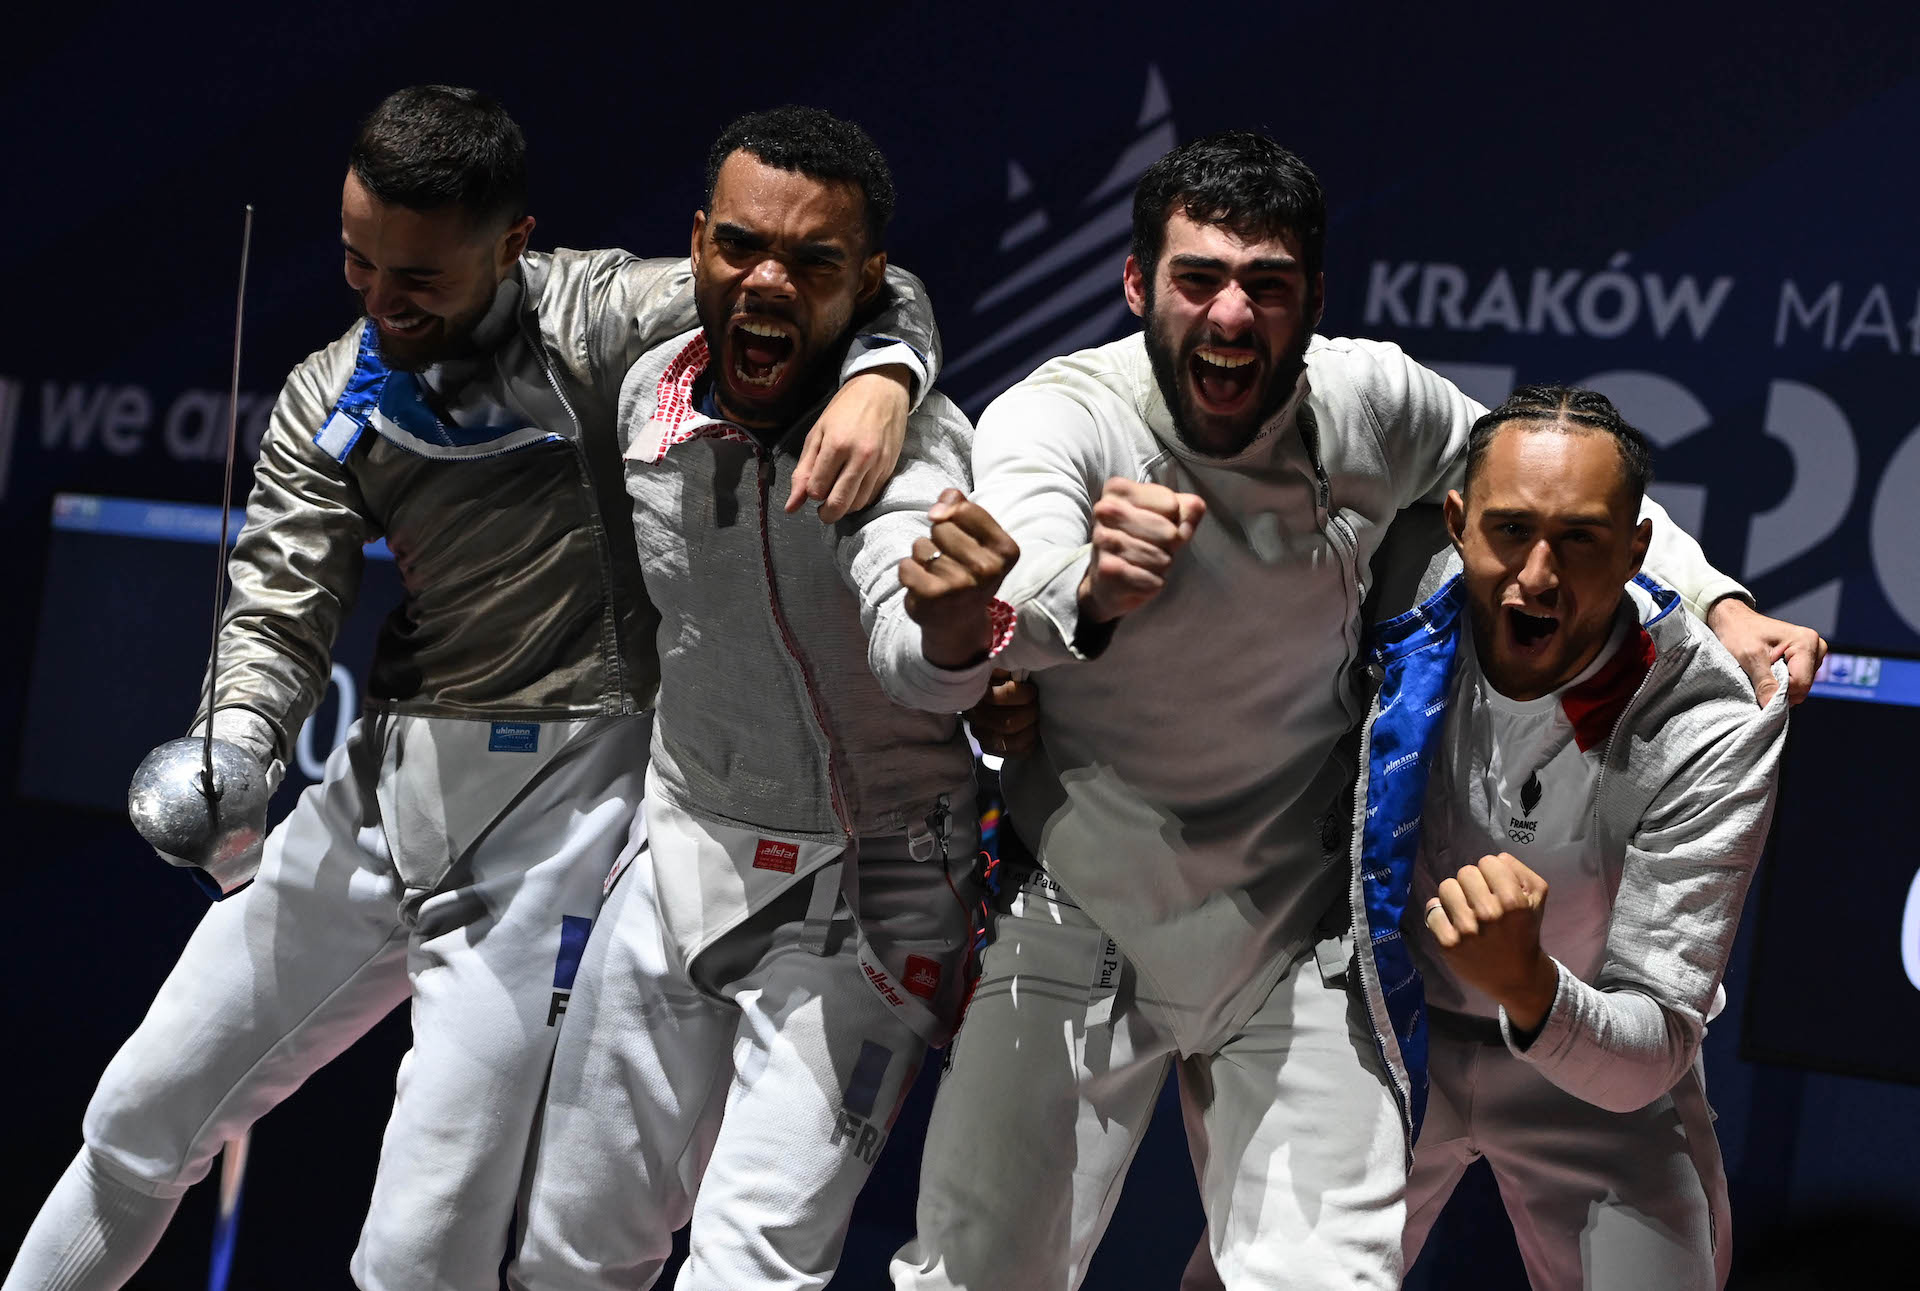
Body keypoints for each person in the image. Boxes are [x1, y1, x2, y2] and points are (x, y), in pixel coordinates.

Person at [3, 85, 939, 1291]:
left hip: (553, 830)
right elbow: (281, 591)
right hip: (375, 798)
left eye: (419, 280)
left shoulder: (602, 318)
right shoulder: (332, 390)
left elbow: (819, 284)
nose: (383, 305)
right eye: (358, 265)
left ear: (511, 246)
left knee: (420, 1252)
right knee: (136, 1112)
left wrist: (885, 370)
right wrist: (236, 742)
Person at [889, 132, 1822, 1291]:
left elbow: (1549, 483)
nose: (1232, 315)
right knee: (977, 1272)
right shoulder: (1065, 413)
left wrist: (1721, 599)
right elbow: (1013, 566)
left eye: (1267, 287)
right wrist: (1075, 592)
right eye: (1198, 281)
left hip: (1301, 935)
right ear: (1137, 288)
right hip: (1086, 904)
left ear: (1312, 305)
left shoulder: (1374, 402)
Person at [507, 107, 1000, 1291]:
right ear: (698, 248)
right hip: (684, 841)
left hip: (874, 879)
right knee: (568, 1253)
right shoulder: (644, 395)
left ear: (866, 279)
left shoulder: (911, 450)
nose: (767, 280)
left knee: (749, 1272)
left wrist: (945, 621)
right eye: (739, 248)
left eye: (816, 263)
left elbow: (921, 654)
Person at [1396, 386, 1786, 1290]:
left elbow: (1653, 1039)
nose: (1538, 576)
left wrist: (1527, 982)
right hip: (1387, 1037)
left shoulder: (1709, 724)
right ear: (1455, 522)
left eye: (1580, 539)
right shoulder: (1390, 602)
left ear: (1638, 548)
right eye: (1509, 531)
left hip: (1597, 1070)